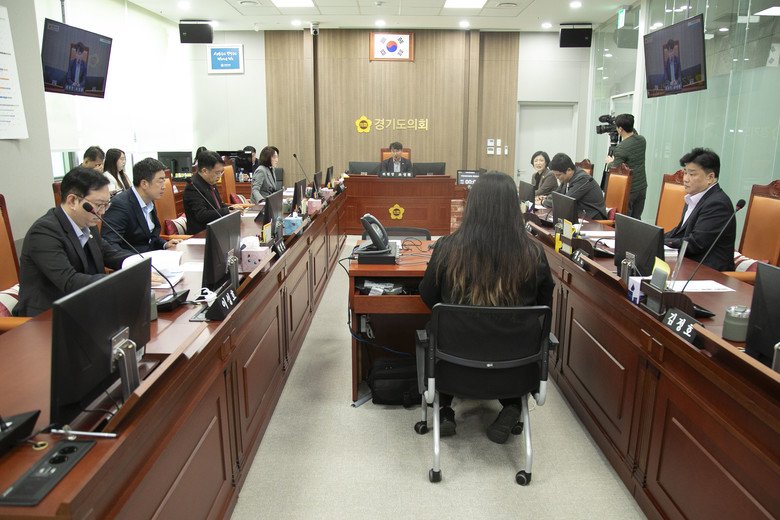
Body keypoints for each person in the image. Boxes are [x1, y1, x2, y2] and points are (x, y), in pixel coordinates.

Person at [419, 171, 555, 443]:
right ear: (513, 208)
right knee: (512, 336)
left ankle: (444, 410)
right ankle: (513, 406)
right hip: (515, 369)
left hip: (453, 366)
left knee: (437, 331)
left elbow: (428, 296)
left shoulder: (447, 247)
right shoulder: (534, 253)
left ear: (472, 205)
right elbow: (543, 303)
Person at [13, 167, 132, 317]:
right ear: (72, 201)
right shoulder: (44, 232)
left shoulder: (87, 222)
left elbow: (109, 254)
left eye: (106, 204)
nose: (102, 212)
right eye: (98, 205)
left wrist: (140, 263)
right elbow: (69, 281)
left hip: (83, 305)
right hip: (47, 317)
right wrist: (122, 280)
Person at [664, 148, 736, 271]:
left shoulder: (718, 204)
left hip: (710, 272)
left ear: (710, 177)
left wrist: (661, 243)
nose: (685, 179)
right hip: (689, 264)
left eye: (692, 174)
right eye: (685, 173)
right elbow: (679, 232)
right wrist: (654, 239)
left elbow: (695, 243)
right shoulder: (694, 198)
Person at [101, 157, 182, 253]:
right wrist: (137, 260)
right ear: (144, 184)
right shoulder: (120, 205)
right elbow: (110, 245)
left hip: (152, 255)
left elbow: (149, 236)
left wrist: (164, 244)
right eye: (160, 181)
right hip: (133, 259)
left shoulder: (149, 201)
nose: (164, 187)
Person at [183, 150, 242, 235]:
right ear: (204, 171)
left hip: (217, 229)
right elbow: (201, 215)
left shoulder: (210, 181)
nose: (219, 176)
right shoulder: (193, 186)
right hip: (202, 235)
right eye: (217, 173)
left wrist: (231, 208)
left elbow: (218, 206)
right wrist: (226, 211)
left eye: (221, 172)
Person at [537, 153, 607, 220]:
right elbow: (557, 194)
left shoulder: (583, 179)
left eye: (558, 175)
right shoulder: (568, 178)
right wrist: (546, 197)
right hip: (578, 215)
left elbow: (566, 202)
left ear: (569, 170)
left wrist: (543, 202)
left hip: (592, 218)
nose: (557, 178)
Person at [605, 114, 647, 219]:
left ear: (620, 129)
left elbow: (615, 169)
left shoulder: (621, 148)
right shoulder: (642, 140)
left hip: (630, 189)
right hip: (642, 186)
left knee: (626, 220)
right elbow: (634, 134)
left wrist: (609, 162)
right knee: (636, 219)